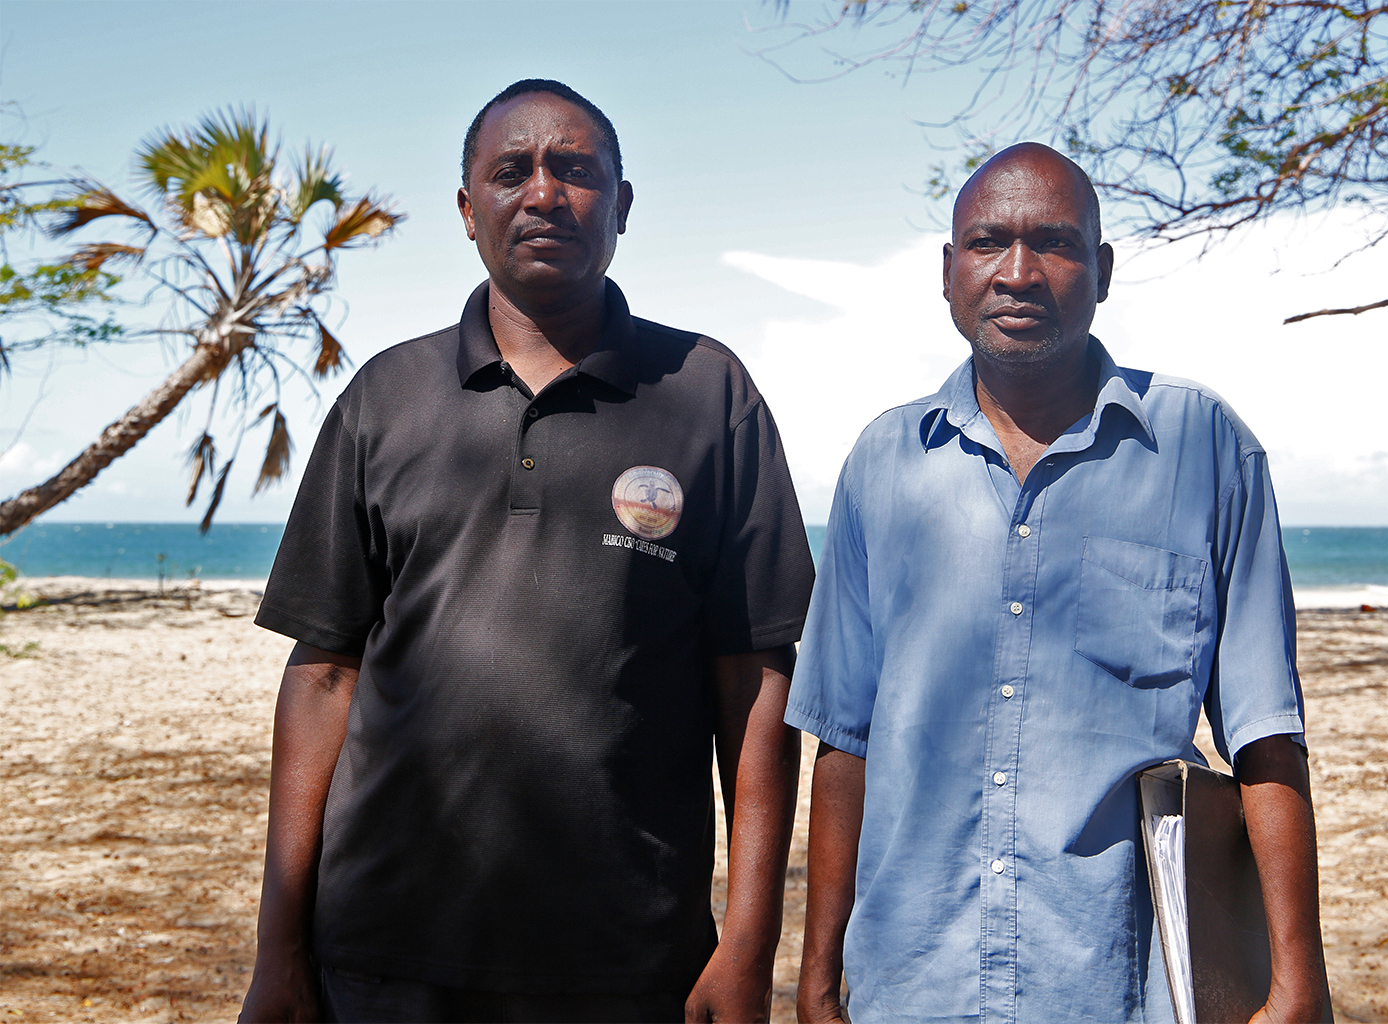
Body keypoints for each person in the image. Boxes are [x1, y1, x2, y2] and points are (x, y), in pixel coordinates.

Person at [238, 79, 814, 1024]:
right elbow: (323, 675)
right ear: (469, 210)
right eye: (512, 172)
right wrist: (280, 948)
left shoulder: (709, 395)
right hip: (384, 955)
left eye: (576, 171)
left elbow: (754, 683)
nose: (544, 194)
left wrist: (750, 943)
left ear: (622, 203)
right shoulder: (387, 398)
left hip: (628, 960)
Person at [787, 143, 1332, 1024]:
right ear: (947, 271)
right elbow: (844, 742)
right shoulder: (883, 464)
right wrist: (816, 981)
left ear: (1103, 270)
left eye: (1054, 243)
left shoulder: (1204, 449)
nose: (1017, 272)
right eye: (986, 242)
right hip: (913, 985)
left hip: (1123, 987)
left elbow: (1268, 737)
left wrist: (1299, 979)